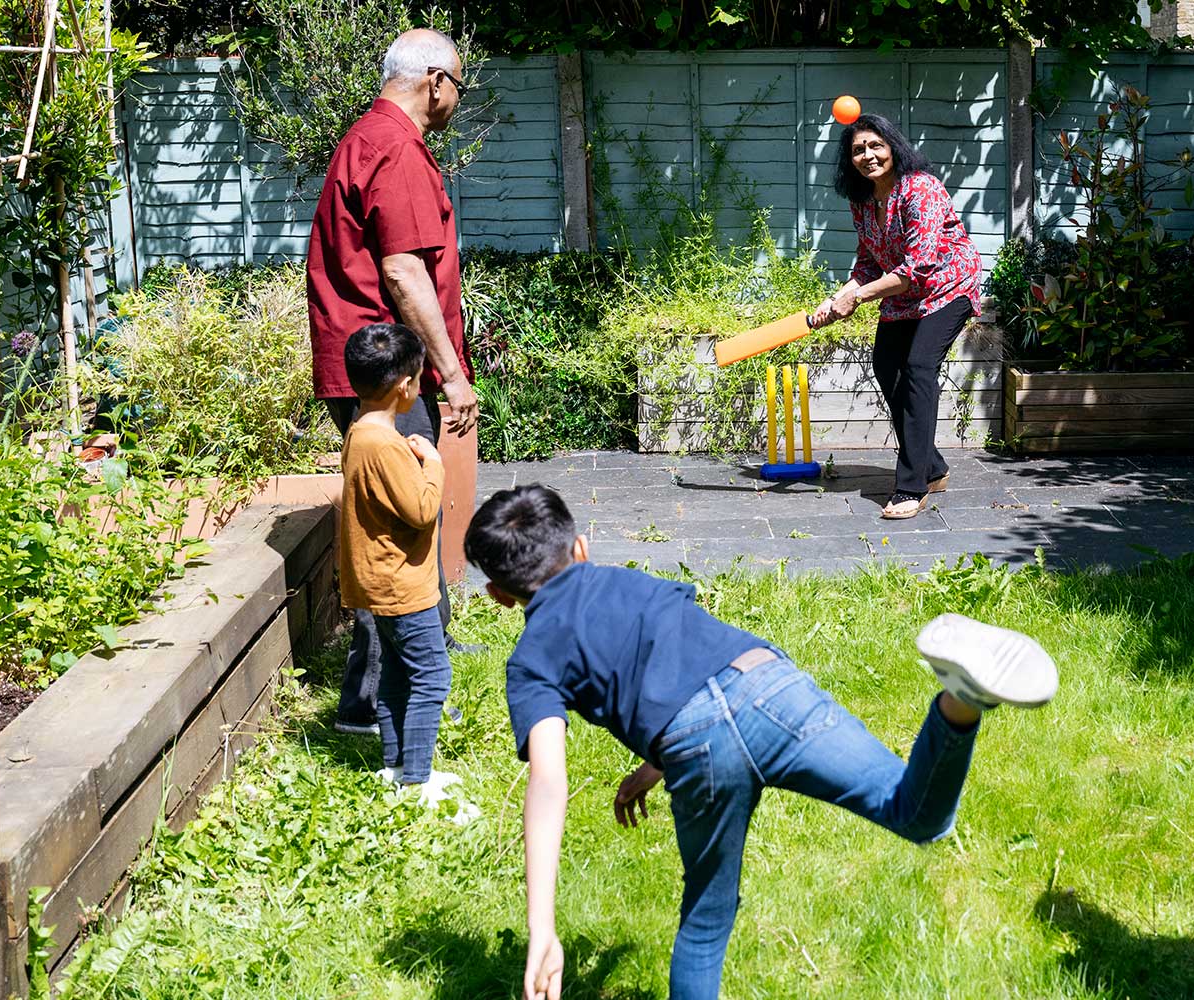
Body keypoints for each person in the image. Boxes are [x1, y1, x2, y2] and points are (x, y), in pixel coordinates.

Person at [464, 485, 1059, 1000]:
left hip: (696, 747)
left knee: (706, 921)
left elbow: (548, 780)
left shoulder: (530, 661)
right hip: (764, 680)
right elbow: (683, 664)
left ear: (499, 595)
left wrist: (541, 926)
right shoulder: (623, 578)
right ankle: (961, 699)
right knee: (916, 813)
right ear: (582, 547)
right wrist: (652, 768)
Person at [308, 28, 481, 737]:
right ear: (435, 80)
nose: (455, 102)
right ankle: (373, 702)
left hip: (381, 369)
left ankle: (427, 646)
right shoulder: (396, 148)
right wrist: (452, 373)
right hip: (387, 375)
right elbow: (404, 274)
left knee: (413, 517)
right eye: (458, 87)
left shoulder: (371, 138)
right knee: (397, 530)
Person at [809, 112, 984, 520]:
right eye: (858, 150)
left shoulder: (918, 189)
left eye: (875, 146)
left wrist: (858, 299)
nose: (867, 155)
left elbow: (918, 267)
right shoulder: (865, 202)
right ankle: (933, 467)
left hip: (947, 286)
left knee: (919, 367)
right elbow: (869, 265)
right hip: (903, 294)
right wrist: (835, 298)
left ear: (892, 148)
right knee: (887, 367)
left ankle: (911, 486)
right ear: (849, 159)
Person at [336, 322, 477, 824]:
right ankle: (417, 779)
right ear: (405, 388)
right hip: (403, 584)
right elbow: (421, 510)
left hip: (378, 581)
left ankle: (395, 766)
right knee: (432, 677)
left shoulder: (360, 432)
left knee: (396, 673)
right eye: (419, 378)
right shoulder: (388, 447)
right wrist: (433, 462)